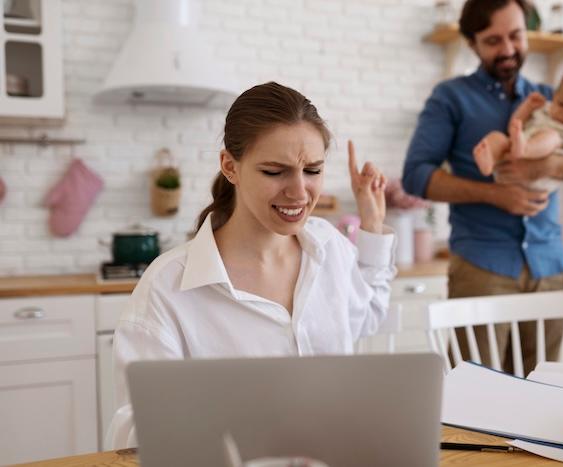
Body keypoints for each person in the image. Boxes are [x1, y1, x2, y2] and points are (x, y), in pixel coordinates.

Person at [106, 82, 395, 449]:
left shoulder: (329, 247)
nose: (299, 192)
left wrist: (372, 225)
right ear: (230, 167)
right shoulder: (168, 287)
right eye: (275, 172)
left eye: (313, 170)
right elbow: (133, 431)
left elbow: (366, 314)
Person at [402, 0, 563, 374]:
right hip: (483, 269)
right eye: (493, 40)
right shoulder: (450, 97)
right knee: (474, 401)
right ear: (472, 43)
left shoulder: (555, 98)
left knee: (543, 393)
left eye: (516, 36)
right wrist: (495, 194)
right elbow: (416, 175)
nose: (508, 49)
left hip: (550, 266)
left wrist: (550, 165)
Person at [473, 67, 563, 192]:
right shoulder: (545, 108)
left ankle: (525, 149)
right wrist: (526, 108)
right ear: (555, 96)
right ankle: (488, 161)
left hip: (541, 175)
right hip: (513, 158)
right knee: (498, 137)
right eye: (562, 104)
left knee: (551, 136)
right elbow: (515, 125)